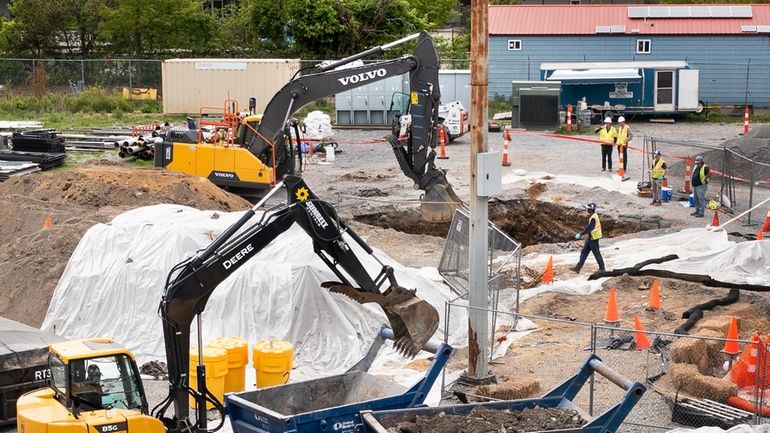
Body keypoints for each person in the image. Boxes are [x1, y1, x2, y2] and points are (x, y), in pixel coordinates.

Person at [571, 202, 606, 274]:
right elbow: (589, 227)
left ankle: (602, 269)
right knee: (584, 252)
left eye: (588, 208)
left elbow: (590, 228)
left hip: (594, 238)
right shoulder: (593, 216)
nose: (587, 209)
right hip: (590, 238)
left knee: (596, 253)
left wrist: (581, 234)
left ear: (591, 209)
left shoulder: (593, 217)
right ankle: (577, 268)